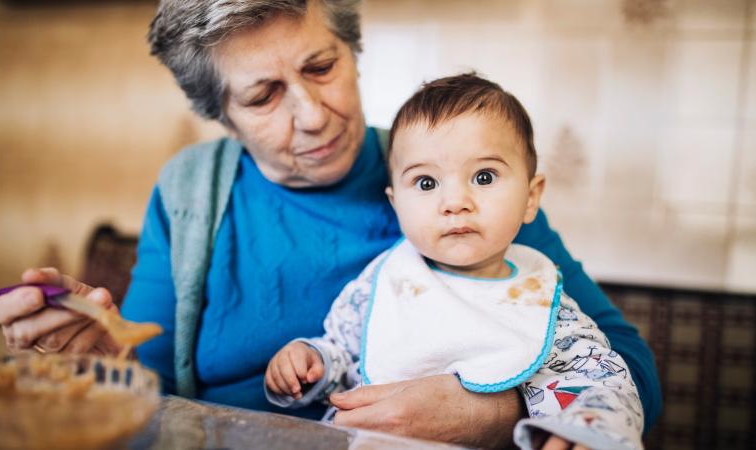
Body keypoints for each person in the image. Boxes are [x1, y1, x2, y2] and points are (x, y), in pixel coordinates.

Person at [0, 1, 661, 447]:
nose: (312, 115)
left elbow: (629, 374)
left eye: (322, 66)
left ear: (353, 52)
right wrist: (103, 361)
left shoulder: (456, 175)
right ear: (222, 116)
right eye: (263, 95)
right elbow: (150, 398)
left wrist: (491, 413)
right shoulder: (190, 190)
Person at [265, 74, 643, 450]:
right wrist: (312, 363)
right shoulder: (386, 280)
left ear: (531, 198)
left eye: (484, 176)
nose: (455, 202)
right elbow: (343, 354)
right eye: (426, 183)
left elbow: (605, 383)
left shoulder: (541, 302)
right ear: (396, 204)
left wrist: (588, 430)